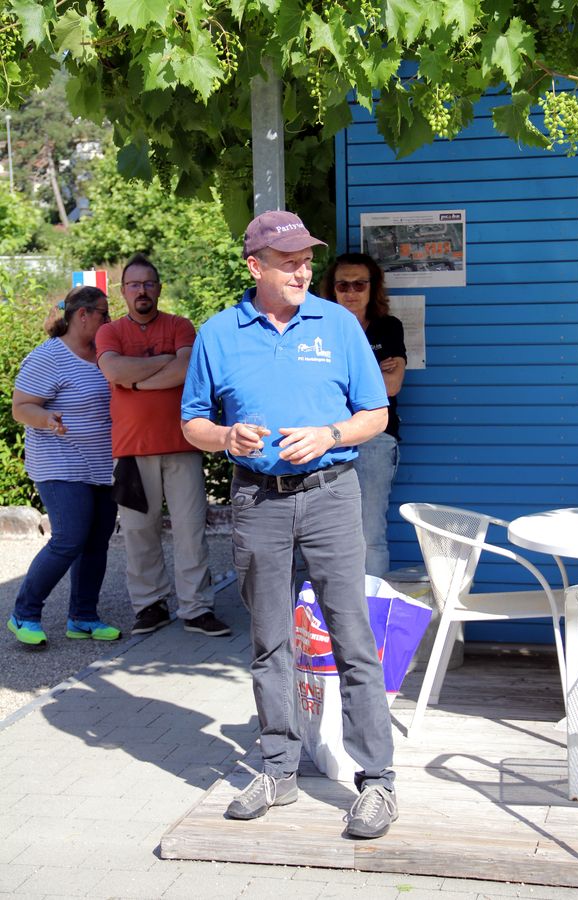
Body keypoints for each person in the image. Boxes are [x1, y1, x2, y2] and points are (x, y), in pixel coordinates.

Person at [181, 211, 397, 840]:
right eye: (289, 260)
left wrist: (329, 433)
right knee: (269, 641)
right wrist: (225, 436)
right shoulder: (219, 334)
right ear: (255, 266)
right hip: (257, 501)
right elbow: (192, 422)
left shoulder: (338, 326)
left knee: (353, 639)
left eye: (308, 258)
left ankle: (377, 780)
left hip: (332, 495)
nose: (305, 269)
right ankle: (278, 769)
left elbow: (375, 413)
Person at [95, 253, 230, 638]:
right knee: (139, 532)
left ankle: (196, 608)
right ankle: (150, 606)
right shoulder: (110, 332)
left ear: (159, 288)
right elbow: (114, 370)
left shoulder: (179, 325)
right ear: (123, 292)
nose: (142, 291)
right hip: (131, 450)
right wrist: (158, 367)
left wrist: (134, 382)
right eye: (134, 285)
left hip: (183, 444)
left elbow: (185, 369)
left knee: (191, 530)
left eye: (148, 284)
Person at [8, 286, 120, 647]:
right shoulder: (49, 357)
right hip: (60, 461)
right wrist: (46, 419)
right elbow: (21, 407)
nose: (109, 319)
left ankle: (83, 617)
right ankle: (23, 613)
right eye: (104, 313)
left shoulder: (105, 354)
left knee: (97, 542)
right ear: (82, 315)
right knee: (69, 538)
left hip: (102, 464)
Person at [320, 253, 407, 577]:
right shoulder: (318, 329)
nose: (351, 291)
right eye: (343, 284)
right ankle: (331, 619)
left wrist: (335, 381)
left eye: (359, 284)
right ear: (332, 289)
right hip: (326, 442)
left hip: (374, 440)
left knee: (369, 536)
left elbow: (393, 385)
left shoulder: (388, 327)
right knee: (327, 536)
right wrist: (369, 376)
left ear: (373, 289)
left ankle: (370, 619)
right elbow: (312, 389)